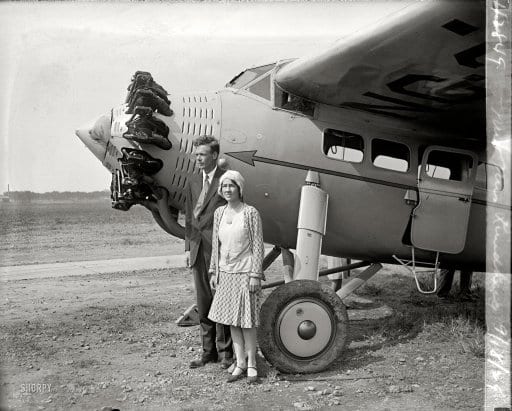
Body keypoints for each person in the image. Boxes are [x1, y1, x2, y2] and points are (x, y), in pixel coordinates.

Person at [207, 170, 265, 384]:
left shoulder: (250, 213)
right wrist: (214, 271)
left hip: (245, 273)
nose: (227, 190)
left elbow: (258, 245)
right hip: (226, 273)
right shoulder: (219, 213)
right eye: (224, 186)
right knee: (232, 321)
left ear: (240, 188)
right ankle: (239, 362)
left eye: (232, 186)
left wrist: (255, 275)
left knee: (247, 322)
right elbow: (216, 244)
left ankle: (252, 364)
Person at [185, 135, 233, 369]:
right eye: (196, 155)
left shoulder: (227, 182)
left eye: (202, 154)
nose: (198, 159)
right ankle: (208, 353)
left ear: (214, 155)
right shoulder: (193, 182)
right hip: (197, 250)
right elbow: (188, 219)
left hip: (219, 251)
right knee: (203, 303)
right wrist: (187, 247)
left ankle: (226, 354)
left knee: (221, 301)